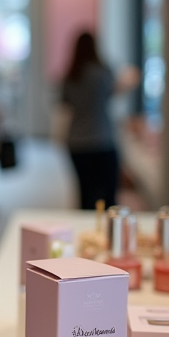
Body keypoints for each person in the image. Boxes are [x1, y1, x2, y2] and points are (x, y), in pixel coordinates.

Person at [61, 31, 123, 210]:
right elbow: (110, 93)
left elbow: (65, 102)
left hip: (77, 140)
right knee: (109, 197)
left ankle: (87, 235)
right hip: (102, 139)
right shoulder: (103, 72)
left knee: (85, 195)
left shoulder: (71, 75)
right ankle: (108, 236)